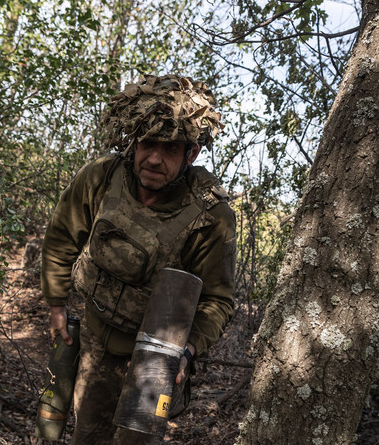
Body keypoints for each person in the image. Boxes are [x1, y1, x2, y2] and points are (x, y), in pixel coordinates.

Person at [40, 74, 236, 444]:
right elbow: (63, 235)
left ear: (192, 153)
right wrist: (56, 303)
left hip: (153, 362)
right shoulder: (101, 177)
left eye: (172, 149)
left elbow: (218, 298)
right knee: (87, 436)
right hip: (96, 341)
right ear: (134, 139)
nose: (155, 159)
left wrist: (187, 350)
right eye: (148, 143)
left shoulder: (211, 217)